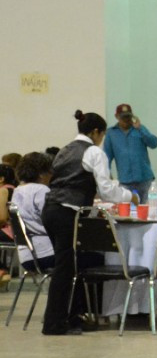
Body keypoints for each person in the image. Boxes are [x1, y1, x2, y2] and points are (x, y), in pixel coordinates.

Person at [40, 110, 136, 335]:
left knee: (70, 266)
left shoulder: (64, 150)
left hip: (51, 210)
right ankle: (53, 324)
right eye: (101, 135)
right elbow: (106, 189)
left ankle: (73, 317)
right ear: (96, 132)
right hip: (68, 213)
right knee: (65, 269)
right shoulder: (93, 151)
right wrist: (130, 196)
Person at [103, 102, 157, 197]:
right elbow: (106, 157)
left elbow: (154, 144)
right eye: (123, 117)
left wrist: (140, 128)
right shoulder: (111, 133)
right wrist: (107, 176)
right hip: (125, 183)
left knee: (148, 209)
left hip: (145, 180)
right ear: (116, 116)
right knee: (126, 211)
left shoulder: (140, 129)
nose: (126, 120)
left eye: (128, 116)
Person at [12, 152, 56, 270]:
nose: (52, 175)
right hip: (47, 253)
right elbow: (53, 220)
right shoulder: (42, 190)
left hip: (26, 255)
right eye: (50, 171)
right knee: (96, 257)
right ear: (41, 174)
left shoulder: (17, 191)